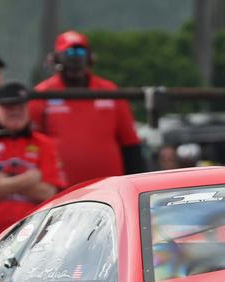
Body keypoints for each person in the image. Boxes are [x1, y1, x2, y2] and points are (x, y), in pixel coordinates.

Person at [0, 82, 65, 252]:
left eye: (20, 106)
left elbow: (47, 193)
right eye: (8, 106)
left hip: (35, 239)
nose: (15, 111)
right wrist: (29, 180)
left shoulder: (45, 144)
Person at [28, 30, 144, 185]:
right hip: (58, 191)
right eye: (69, 52)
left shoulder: (109, 91)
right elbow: (31, 145)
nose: (75, 58)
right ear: (56, 58)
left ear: (89, 58)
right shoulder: (42, 94)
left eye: (80, 52)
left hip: (108, 188)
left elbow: (130, 144)